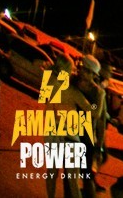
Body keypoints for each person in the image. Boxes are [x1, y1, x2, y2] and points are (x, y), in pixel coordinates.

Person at [44, 53, 93, 198]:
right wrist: (99, 100)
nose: (73, 72)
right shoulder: (72, 91)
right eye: (71, 69)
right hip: (69, 135)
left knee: (52, 172)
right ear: (65, 70)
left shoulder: (49, 81)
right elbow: (92, 111)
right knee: (73, 180)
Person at [76, 54, 108, 194]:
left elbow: (100, 119)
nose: (82, 72)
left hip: (86, 140)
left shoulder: (98, 93)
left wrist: (99, 147)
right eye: (82, 68)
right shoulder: (72, 82)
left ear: (93, 75)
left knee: (87, 177)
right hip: (69, 136)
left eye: (87, 70)